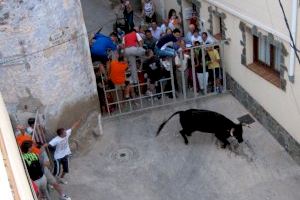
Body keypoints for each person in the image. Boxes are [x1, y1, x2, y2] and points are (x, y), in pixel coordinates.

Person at [44, 119, 81, 184]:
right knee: (56, 172)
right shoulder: (56, 140)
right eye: (64, 132)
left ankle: (61, 179)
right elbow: (48, 144)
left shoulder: (66, 134)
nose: (66, 133)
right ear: (61, 134)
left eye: (65, 132)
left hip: (65, 155)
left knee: (66, 170)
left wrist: (78, 121)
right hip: (58, 157)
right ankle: (52, 182)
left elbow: (72, 127)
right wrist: (39, 149)